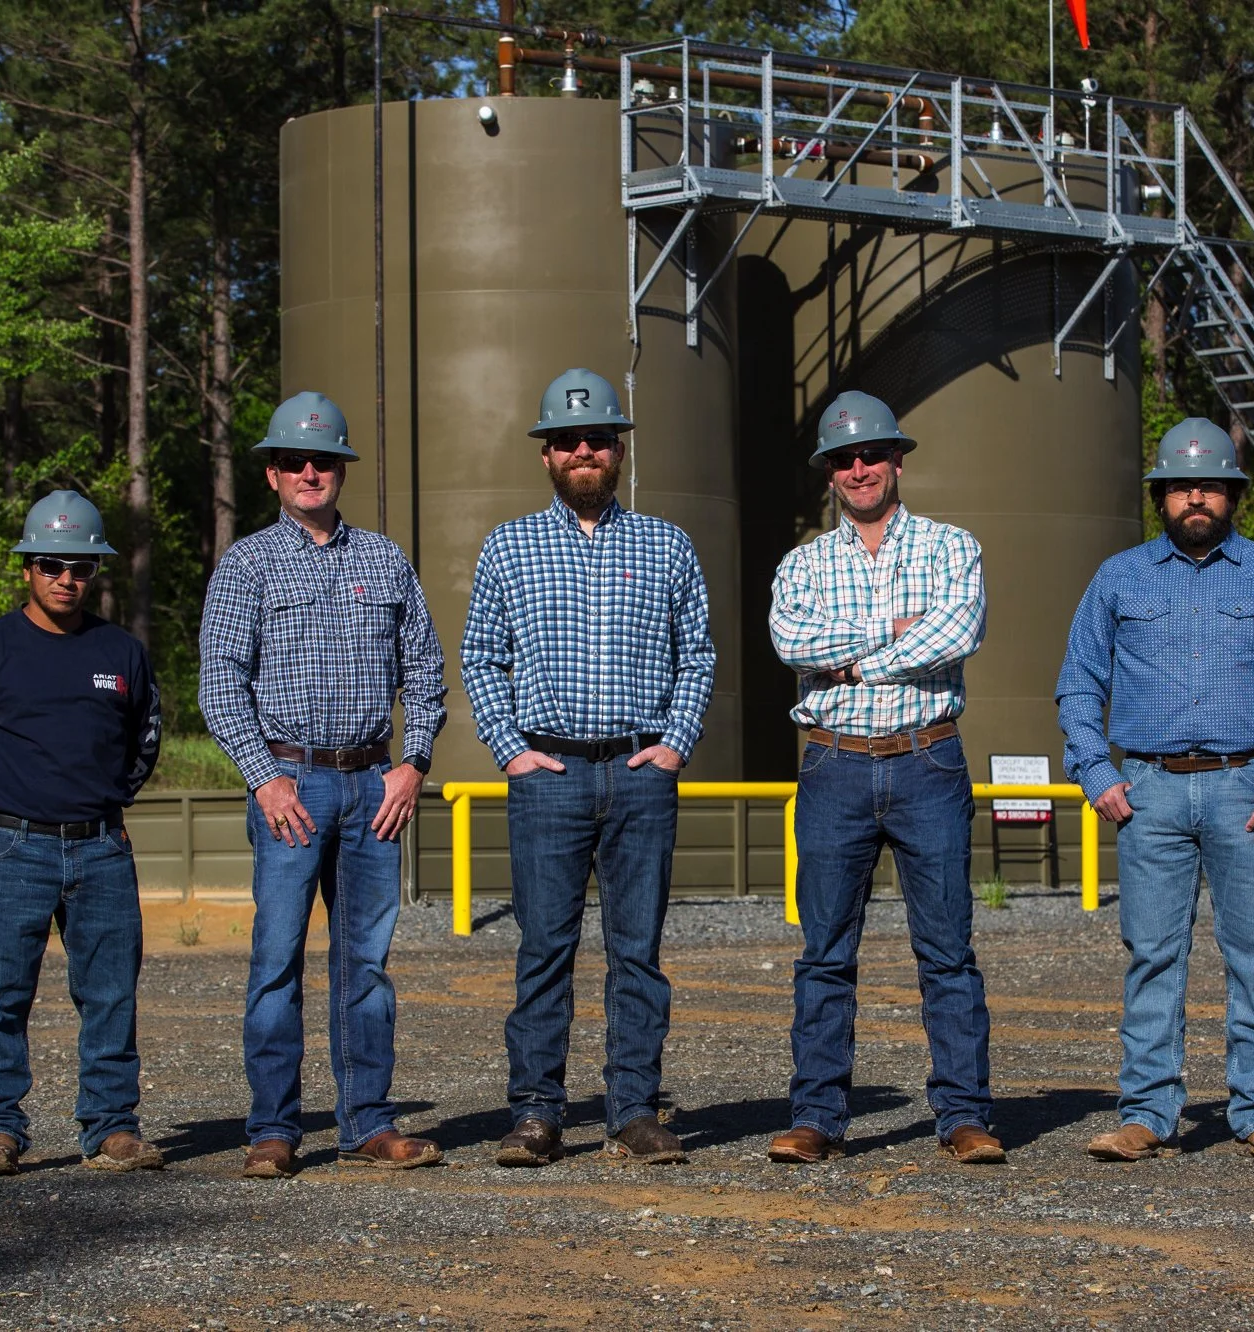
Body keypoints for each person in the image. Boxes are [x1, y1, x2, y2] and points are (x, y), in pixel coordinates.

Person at [1057, 419, 1254, 1163]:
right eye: (1182, 487)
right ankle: (1147, 1112)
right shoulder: (1119, 578)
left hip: (1250, 788)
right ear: (1161, 496)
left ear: (1233, 495)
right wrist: (1095, 771)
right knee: (1152, 955)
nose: (1196, 498)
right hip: (1147, 788)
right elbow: (1079, 683)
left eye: (1210, 486)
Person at [459, 368, 715, 1168]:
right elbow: (479, 656)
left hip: (640, 773)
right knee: (544, 948)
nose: (582, 453)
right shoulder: (509, 545)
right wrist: (510, 751)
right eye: (567, 442)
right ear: (546, 455)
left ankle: (635, 1110)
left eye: (597, 441)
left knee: (636, 949)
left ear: (618, 451)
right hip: (551, 776)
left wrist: (675, 742)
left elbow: (698, 654)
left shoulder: (667, 544)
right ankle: (537, 1112)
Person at [199, 390, 448, 1179]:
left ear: (342, 470)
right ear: (272, 474)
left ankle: (367, 1123)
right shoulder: (246, 566)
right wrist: (264, 779)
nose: (311, 471)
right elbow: (219, 683)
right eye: (294, 461)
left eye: (325, 460)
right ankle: (273, 1129)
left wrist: (414, 763)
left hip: (373, 782)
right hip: (290, 786)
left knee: (365, 964)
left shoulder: (385, 560)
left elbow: (429, 671)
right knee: (276, 960)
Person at [766, 390, 1003, 1165]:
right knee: (824, 952)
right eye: (844, 458)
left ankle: (964, 1116)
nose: (860, 468)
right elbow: (788, 640)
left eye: (872, 454)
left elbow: (958, 626)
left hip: (927, 758)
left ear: (898, 457)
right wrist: (895, 639)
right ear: (830, 474)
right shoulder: (801, 563)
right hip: (833, 762)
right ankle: (817, 1118)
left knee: (946, 950)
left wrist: (850, 658)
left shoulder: (950, 546)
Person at [0, 490, 164, 1176]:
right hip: (12, 847)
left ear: (96, 573)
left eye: (81, 567)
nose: (67, 579)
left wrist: (110, 799)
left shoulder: (122, 652)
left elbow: (145, 737)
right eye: (52, 565)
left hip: (102, 847)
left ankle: (111, 1126)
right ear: (27, 567)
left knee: (110, 991)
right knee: (0, 992)